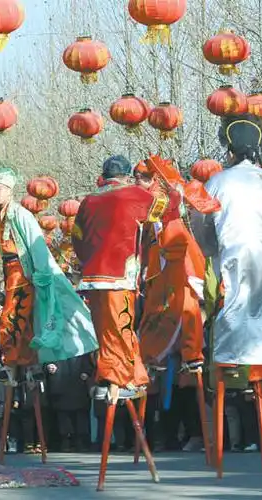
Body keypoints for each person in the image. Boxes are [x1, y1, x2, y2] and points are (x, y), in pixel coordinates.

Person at [0, 162, 97, 373]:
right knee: (17, 319)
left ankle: (15, 360)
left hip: (24, 272)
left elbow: (36, 244)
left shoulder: (21, 214)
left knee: (12, 318)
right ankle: (19, 361)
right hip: (10, 272)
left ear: (10, 190)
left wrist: (42, 273)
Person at [191, 114, 262, 378]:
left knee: (236, 299)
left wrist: (211, 249)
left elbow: (201, 219)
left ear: (229, 150)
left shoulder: (217, 181)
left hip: (232, 249)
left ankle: (233, 360)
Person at [73, 155, 178, 400]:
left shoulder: (89, 201)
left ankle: (127, 374)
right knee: (121, 326)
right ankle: (118, 378)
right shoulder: (134, 194)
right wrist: (171, 187)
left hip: (92, 277)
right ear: (127, 176)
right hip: (118, 274)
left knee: (104, 330)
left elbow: (77, 238)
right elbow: (168, 208)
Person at [134, 162, 206, 372]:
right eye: (136, 175)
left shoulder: (159, 199)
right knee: (171, 308)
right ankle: (183, 354)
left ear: (154, 178)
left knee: (181, 306)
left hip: (173, 257)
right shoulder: (150, 198)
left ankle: (178, 354)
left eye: (145, 175)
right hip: (162, 260)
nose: (139, 179)